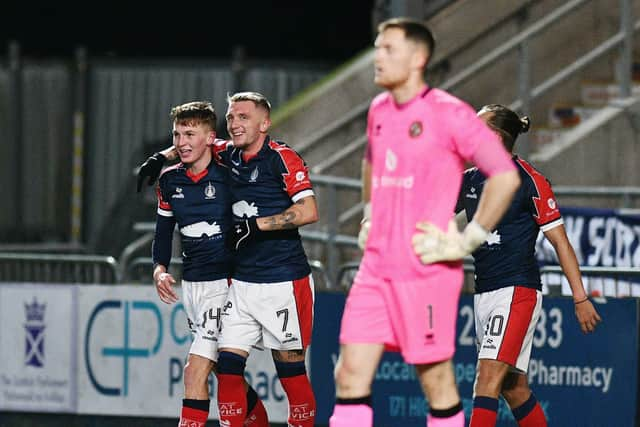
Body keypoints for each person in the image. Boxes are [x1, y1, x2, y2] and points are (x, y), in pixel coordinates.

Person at [329, 18, 522, 427]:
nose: (377, 57)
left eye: (388, 50)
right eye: (377, 48)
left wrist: (466, 240)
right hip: (376, 267)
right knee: (348, 375)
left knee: (435, 382)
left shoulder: (450, 113)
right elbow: (371, 163)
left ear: (419, 58)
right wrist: (368, 215)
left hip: (426, 270)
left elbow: (505, 177)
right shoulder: (379, 109)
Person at [139, 92, 319, 427]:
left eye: (243, 117)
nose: (235, 123)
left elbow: (310, 211)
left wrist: (256, 225)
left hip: (284, 279)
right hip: (243, 283)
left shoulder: (281, 157)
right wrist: (159, 156)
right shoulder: (229, 154)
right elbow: (194, 141)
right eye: (231, 117)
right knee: (229, 368)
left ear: (264, 123)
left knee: (290, 373)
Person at [455, 104, 602, 427]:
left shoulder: (529, 181)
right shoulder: (469, 180)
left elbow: (560, 242)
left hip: (516, 292)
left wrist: (580, 298)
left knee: (487, 379)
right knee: (514, 387)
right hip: (485, 293)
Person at [148, 101, 268, 427]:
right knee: (223, 375)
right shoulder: (170, 182)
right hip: (193, 287)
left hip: (226, 285)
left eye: (190, 134)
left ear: (210, 137)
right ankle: (258, 421)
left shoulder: (230, 172)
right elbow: (162, 235)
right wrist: (159, 269)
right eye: (176, 134)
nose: (182, 142)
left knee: (193, 371)